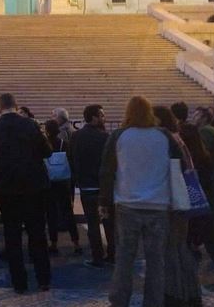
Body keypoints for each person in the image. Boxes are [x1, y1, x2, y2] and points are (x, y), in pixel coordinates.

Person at [100, 96, 181, 307]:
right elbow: (178, 164)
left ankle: (119, 300)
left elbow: (107, 170)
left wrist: (104, 202)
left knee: (124, 258)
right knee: (156, 261)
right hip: (159, 204)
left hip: (127, 204)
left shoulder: (119, 136)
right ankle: (154, 302)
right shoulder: (163, 135)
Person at [0, 93, 52, 293]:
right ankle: (43, 279)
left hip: (8, 188)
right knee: (37, 234)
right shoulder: (31, 125)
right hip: (34, 186)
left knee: (12, 236)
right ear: (16, 106)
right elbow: (47, 151)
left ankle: (19, 283)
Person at [153, 106, 201, 307]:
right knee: (180, 248)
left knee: (171, 249)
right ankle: (189, 292)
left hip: (171, 200)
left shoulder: (165, 140)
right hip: (182, 199)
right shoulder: (178, 138)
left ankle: (174, 293)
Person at [180, 122, 214, 285]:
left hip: (187, 202)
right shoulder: (204, 156)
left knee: (187, 240)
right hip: (204, 202)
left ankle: (189, 276)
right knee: (210, 240)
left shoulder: (183, 158)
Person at [71, 104, 115, 268]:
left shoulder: (77, 136)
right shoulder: (105, 137)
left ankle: (97, 256)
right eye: (102, 115)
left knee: (93, 224)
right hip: (103, 187)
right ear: (93, 117)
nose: (104, 118)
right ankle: (112, 254)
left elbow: (73, 158)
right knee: (109, 223)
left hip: (87, 186)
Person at [42, 119, 80, 255]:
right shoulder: (65, 144)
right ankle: (76, 243)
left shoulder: (44, 145)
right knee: (68, 213)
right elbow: (71, 160)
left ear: (46, 130)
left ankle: (53, 243)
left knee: (51, 214)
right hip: (63, 181)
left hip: (49, 183)